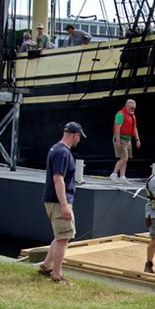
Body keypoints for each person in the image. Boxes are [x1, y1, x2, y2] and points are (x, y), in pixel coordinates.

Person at [39, 121, 86, 284]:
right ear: (75, 135)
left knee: (60, 236)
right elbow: (58, 179)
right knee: (64, 238)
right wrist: (65, 205)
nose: (79, 140)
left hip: (52, 199)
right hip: (59, 201)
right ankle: (57, 275)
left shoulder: (55, 148)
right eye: (79, 137)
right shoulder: (63, 153)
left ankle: (46, 266)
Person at [110, 99, 141, 183]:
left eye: (134, 108)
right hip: (121, 138)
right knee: (124, 157)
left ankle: (122, 176)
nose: (133, 110)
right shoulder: (120, 114)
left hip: (128, 139)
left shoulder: (132, 116)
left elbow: (134, 128)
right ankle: (114, 174)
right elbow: (117, 127)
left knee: (125, 158)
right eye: (131, 108)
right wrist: (118, 140)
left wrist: (137, 139)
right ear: (127, 106)